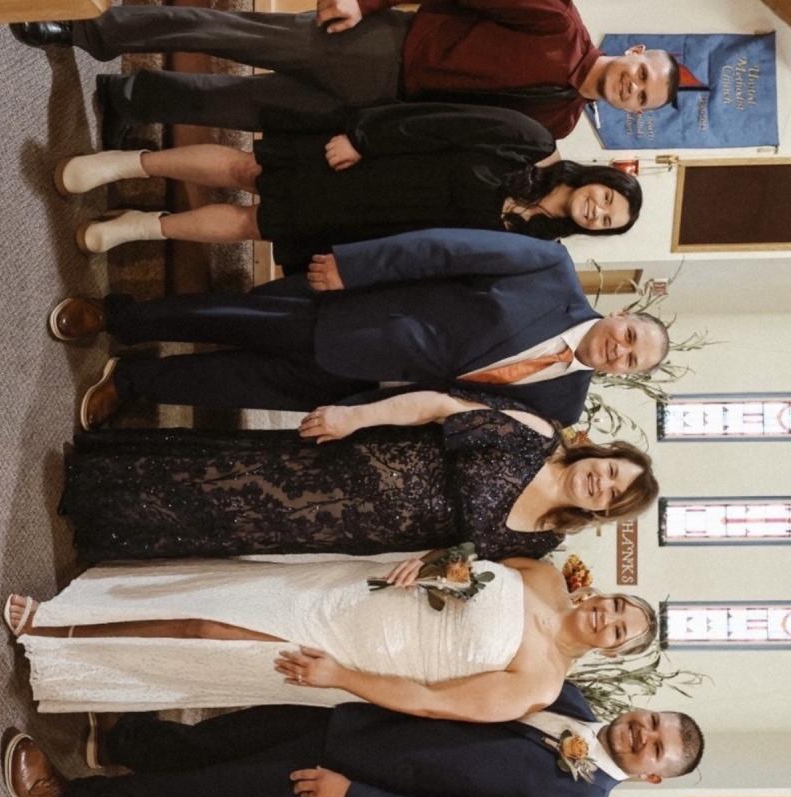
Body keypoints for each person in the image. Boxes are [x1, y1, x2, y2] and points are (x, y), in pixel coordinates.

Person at [3, 686, 705, 797]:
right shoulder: (570, 697)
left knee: (205, 794)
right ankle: (123, 741)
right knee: (223, 736)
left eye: (655, 749)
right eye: (652, 721)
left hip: (343, 788)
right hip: (356, 727)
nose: (642, 734)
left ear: (651, 777)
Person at [50, 229, 671, 428]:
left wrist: (364, 420)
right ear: (621, 315)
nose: (620, 351)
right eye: (630, 337)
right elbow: (446, 249)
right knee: (226, 316)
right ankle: (120, 316)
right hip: (360, 315)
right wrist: (358, 265)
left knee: (232, 383)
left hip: (366, 395)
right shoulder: (550, 270)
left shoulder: (562, 405)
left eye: (631, 360)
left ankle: (134, 381)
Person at [4, 552, 657, 719]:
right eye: (616, 607)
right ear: (606, 594)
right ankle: (71, 610)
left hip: (355, 657)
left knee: (207, 636)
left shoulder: (540, 685)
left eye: (618, 632)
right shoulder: (544, 576)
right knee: (217, 599)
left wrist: (339, 677)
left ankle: (57, 642)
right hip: (361, 591)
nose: (607, 618)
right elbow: (464, 562)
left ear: (612, 650)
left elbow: (435, 703)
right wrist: (429, 562)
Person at [58, 392, 657, 562]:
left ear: (604, 512)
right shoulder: (535, 435)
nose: (600, 484)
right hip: (343, 463)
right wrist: (357, 416)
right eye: (610, 471)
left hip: (352, 530)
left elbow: (463, 558)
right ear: (600, 454)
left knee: (233, 524)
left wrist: (429, 566)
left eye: (611, 494)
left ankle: (107, 523)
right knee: (226, 474)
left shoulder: (543, 539)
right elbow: (438, 407)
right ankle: (99, 477)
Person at [11, 0, 680, 143]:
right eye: (642, 74)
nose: (634, 87)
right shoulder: (558, 23)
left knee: (240, 107)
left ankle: (130, 95)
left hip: (379, 116)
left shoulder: (558, 124)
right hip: (381, 49)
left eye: (641, 99)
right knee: (229, 34)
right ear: (637, 52)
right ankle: (89, 29)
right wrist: (368, 3)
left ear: (633, 113)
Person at [53, 104, 642, 264]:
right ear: (600, 178)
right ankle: (126, 164)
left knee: (254, 224)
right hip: (369, 163)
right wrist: (365, 137)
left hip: (373, 226)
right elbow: (439, 119)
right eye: (607, 199)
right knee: (247, 170)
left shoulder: (537, 245)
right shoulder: (532, 141)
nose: (598, 211)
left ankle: (140, 228)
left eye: (607, 222)